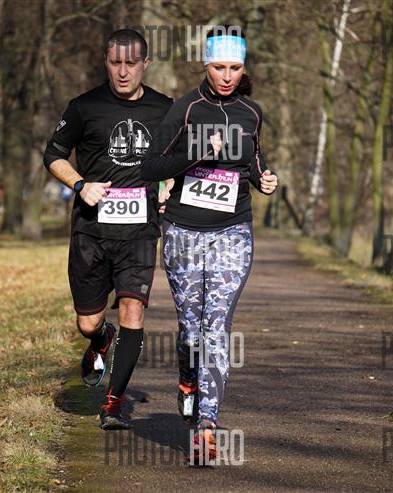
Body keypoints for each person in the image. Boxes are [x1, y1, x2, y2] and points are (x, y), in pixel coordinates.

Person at [140, 25, 278, 463]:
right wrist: (195, 155)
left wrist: (264, 178)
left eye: (235, 68)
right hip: (183, 232)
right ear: (206, 64)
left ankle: (207, 425)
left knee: (216, 325)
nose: (227, 76)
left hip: (233, 232)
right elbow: (151, 166)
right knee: (191, 328)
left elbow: (253, 161)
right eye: (219, 67)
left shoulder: (251, 113)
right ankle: (188, 377)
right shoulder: (185, 109)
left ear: (243, 68)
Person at [43, 29, 173, 430]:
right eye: (115, 63)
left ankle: (113, 404)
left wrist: (169, 186)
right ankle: (101, 338)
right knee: (87, 322)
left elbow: (179, 158)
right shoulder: (84, 107)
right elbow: (53, 154)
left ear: (145, 64)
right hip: (91, 231)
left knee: (134, 308)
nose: (123, 71)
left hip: (140, 232)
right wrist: (81, 185)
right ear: (106, 62)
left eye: (131, 63)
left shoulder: (165, 109)